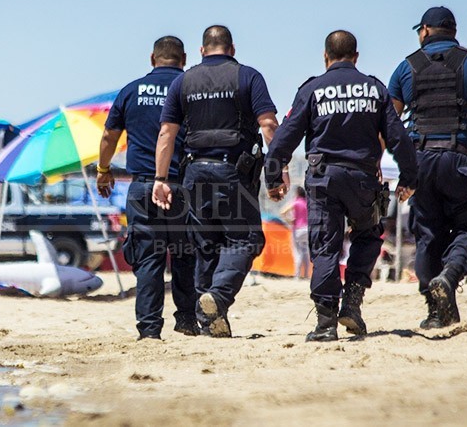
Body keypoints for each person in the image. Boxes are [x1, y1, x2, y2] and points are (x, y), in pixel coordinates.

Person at [266, 30, 418, 341]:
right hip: (364, 179)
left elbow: (284, 138)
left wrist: (272, 177)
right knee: (368, 235)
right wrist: (410, 177)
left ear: (325, 57)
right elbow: (398, 138)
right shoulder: (374, 89)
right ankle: (352, 302)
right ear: (356, 56)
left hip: (324, 179)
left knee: (325, 248)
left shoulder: (312, 89)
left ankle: (324, 324)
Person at [389, 6, 467, 328]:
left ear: (426, 30)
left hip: (420, 162)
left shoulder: (407, 67)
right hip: (462, 160)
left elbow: (387, 122)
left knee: (428, 234)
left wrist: (385, 165)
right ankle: (450, 276)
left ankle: (434, 310)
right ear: (453, 32)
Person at [153, 25, 279, 338]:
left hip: (194, 172)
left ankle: (210, 323)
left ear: (200, 50)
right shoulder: (248, 76)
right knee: (246, 239)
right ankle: (218, 298)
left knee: (206, 246)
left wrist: (160, 178)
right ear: (232, 49)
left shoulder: (184, 80)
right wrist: (278, 171)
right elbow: (268, 124)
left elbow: (167, 133)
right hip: (233, 172)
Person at [97, 36, 198, 341]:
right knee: (186, 254)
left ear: (152, 58)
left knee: (148, 258)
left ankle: (150, 330)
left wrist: (103, 170)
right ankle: (188, 321)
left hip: (143, 186)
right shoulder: (191, 87)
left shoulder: (130, 91)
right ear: (183, 58)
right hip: (183, 184)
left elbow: (108, 137)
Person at [280, 186, 310, 279]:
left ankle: (297, 275)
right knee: (306, 253)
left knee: (298, 252)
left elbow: (283, 211)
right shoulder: (307, 202)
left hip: (298, 229)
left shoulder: (296, 202)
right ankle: (306, 275)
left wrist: (289, 220)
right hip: (307, 229)